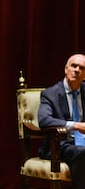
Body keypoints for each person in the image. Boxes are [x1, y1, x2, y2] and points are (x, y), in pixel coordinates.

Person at [38, 53, 85, 189]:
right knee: (82, 152)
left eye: (81, 68)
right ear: (66, 69)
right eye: (73, 66)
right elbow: (44, 120)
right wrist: (75, 126)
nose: (76, 70)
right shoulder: (50, 94)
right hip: (60, 145)